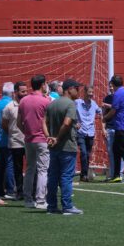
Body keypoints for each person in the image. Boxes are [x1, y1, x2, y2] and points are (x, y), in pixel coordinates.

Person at [45, 79, 82, 215]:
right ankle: (67, 206)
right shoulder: (71, 104)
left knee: (53, 176)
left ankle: (51, 206)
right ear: (69, 89)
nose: (78, 91)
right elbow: (66, 123)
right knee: (66, 176)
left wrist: (50, 137)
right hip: (67, 146)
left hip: (54, 147)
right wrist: (58, 138)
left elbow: (44, 122)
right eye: (77, 88)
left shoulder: (52, 104)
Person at [17, 74, 51, 207]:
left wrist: (27, 132)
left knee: (30, 169)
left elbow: (19, 123)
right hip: (42, 139)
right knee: (42, 170)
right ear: (42, 85)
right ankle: (41, 200)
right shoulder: (46, 101)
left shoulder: (23, 101)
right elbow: (49, 122)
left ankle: (28, 199)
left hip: (29, 139)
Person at [2, 82, 27, 201]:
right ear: (15, 92)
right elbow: (4, 124)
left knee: (32, 167)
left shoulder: (28, 104)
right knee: (18, 169)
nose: (25, 93)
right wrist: (13, 134)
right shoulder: (9, 107)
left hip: (29, 141)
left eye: (26, 91)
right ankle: (20, 192)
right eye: (22, 91)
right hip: (16, 142)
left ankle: (32, 191)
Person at [76, 85, 104, 182]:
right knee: (83, 153)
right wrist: (75, 122)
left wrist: (108, 107)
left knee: (87, 154)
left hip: (91, 132)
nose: (91, 95)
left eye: (92, 93)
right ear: (84, 92)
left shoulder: (94, 104)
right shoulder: (77, 102)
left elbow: (101, 112)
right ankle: (83, 174)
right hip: (81, 132)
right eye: (89, 92)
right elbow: (69, 111)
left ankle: (84, 174)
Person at [0, 82, 14, 199]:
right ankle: (10, 189)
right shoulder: (11, 104)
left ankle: (0, 189)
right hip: (9, 138)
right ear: (12, 93)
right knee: (10, 164)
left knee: (1, 165)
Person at [101, 83, 120, 182]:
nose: (111, 88)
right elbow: (103, 115)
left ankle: (120, 173)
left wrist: (107, 105)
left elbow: (118, 108)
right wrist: (103, 128)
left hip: (118, 128)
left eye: (113, 86)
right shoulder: (106, 98)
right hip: (109, 128)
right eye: (110, 86)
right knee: (110, 152)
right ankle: (112, 174)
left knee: (119, 151)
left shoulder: (119, 97)